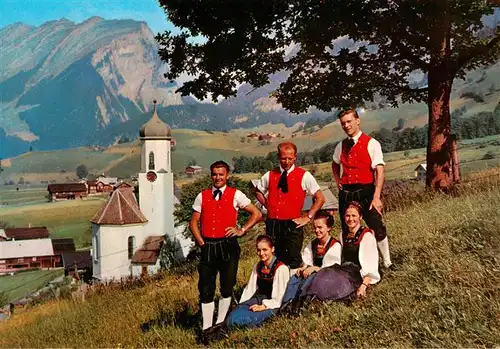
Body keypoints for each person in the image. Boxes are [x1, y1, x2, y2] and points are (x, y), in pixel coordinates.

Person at [189, 160, 262, 341]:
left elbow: (257, 213)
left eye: (221, 174)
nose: (217, 177)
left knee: (227, 286)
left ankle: (220, 325)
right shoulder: (202, 196)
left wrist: (241, 230)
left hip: (228, 245)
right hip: (208, 246)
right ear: (211, 175)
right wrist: (201, 242)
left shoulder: (236, 194)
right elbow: (193, 222)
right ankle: (207, 328)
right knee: (206, 288)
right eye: (214, 174)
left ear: (227, 175)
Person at [331, 109, 392, 268]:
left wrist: (376, 196)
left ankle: (386, 261)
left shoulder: (372, 143)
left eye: (349, 121)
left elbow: (379, 171)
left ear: (358, 121)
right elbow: (335, 163)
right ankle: (351, 263)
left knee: (376, 225)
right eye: (343, 123)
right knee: (347, 228)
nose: (346, 125)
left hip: (366, 191)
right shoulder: (341, 145)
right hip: (346, 193)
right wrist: (338, 180)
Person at [255, 142, 326, 271]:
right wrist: (268, 206)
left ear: (295, 157)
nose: (286, 162)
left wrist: (308, 217)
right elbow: (258, 191)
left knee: (293, 259)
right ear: (278, 157)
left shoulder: (304, 175)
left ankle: (293, 288)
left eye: (290, 158)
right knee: (273, 259)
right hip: (273, 224)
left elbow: (320, 198)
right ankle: (275, 289)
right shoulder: (269, 175)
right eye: (283, 158)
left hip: (293, 224)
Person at [299, 201, 380, 302]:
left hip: (357, 274)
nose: (350, 219)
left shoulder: (366, 236)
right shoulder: (343, 234)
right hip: (343, 269)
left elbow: (370, 265)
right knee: (323, 275)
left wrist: (363, 286)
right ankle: (310, 299)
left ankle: (321, 299)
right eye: (347, 216)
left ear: (360, 217)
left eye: (354, 215)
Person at [226, 235, 290, 328]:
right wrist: (241, 304)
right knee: (233, 316)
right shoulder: (258, 266)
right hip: (260, 299)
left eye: (265, 250)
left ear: (272, 249)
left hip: (274, 305)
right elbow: (250, 289)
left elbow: (279, 298)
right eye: (259, 250)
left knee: (242, 319)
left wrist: (263, 306)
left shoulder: (280, 268)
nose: (261, 253)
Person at [282, 210, 341, 305]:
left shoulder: (335, 245)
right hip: (313, 272)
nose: (317, 230)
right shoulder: (313, 244)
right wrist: (304, 267)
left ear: (329, 227)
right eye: (315, 227)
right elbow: (307, 260)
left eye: (320, 227)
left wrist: (314, 268)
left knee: (310, 279)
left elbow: (332, 268)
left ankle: (300, 304)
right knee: (295, 278)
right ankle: (287, 302)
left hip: (327, 277)